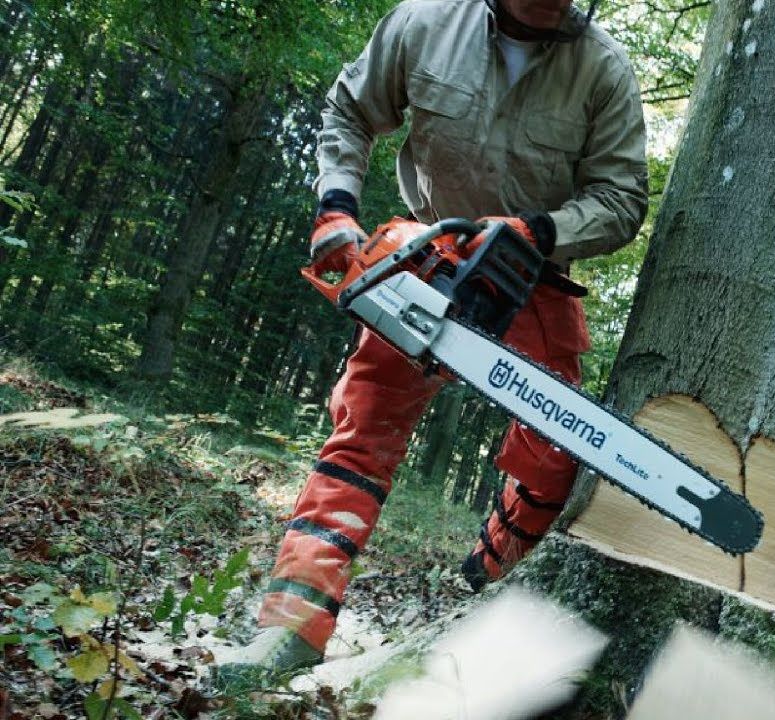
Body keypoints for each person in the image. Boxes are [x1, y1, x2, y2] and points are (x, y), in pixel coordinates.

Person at [216, 0, 647, 683]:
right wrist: (336, 207)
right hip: (427, 253)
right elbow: (350, 110)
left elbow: (621, 198)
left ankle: (491, 582)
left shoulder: (603, 68)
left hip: (531, 273)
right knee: (362, 435)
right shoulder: (424, 23)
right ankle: (291, 624)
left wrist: (540, 231)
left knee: (555, 456)